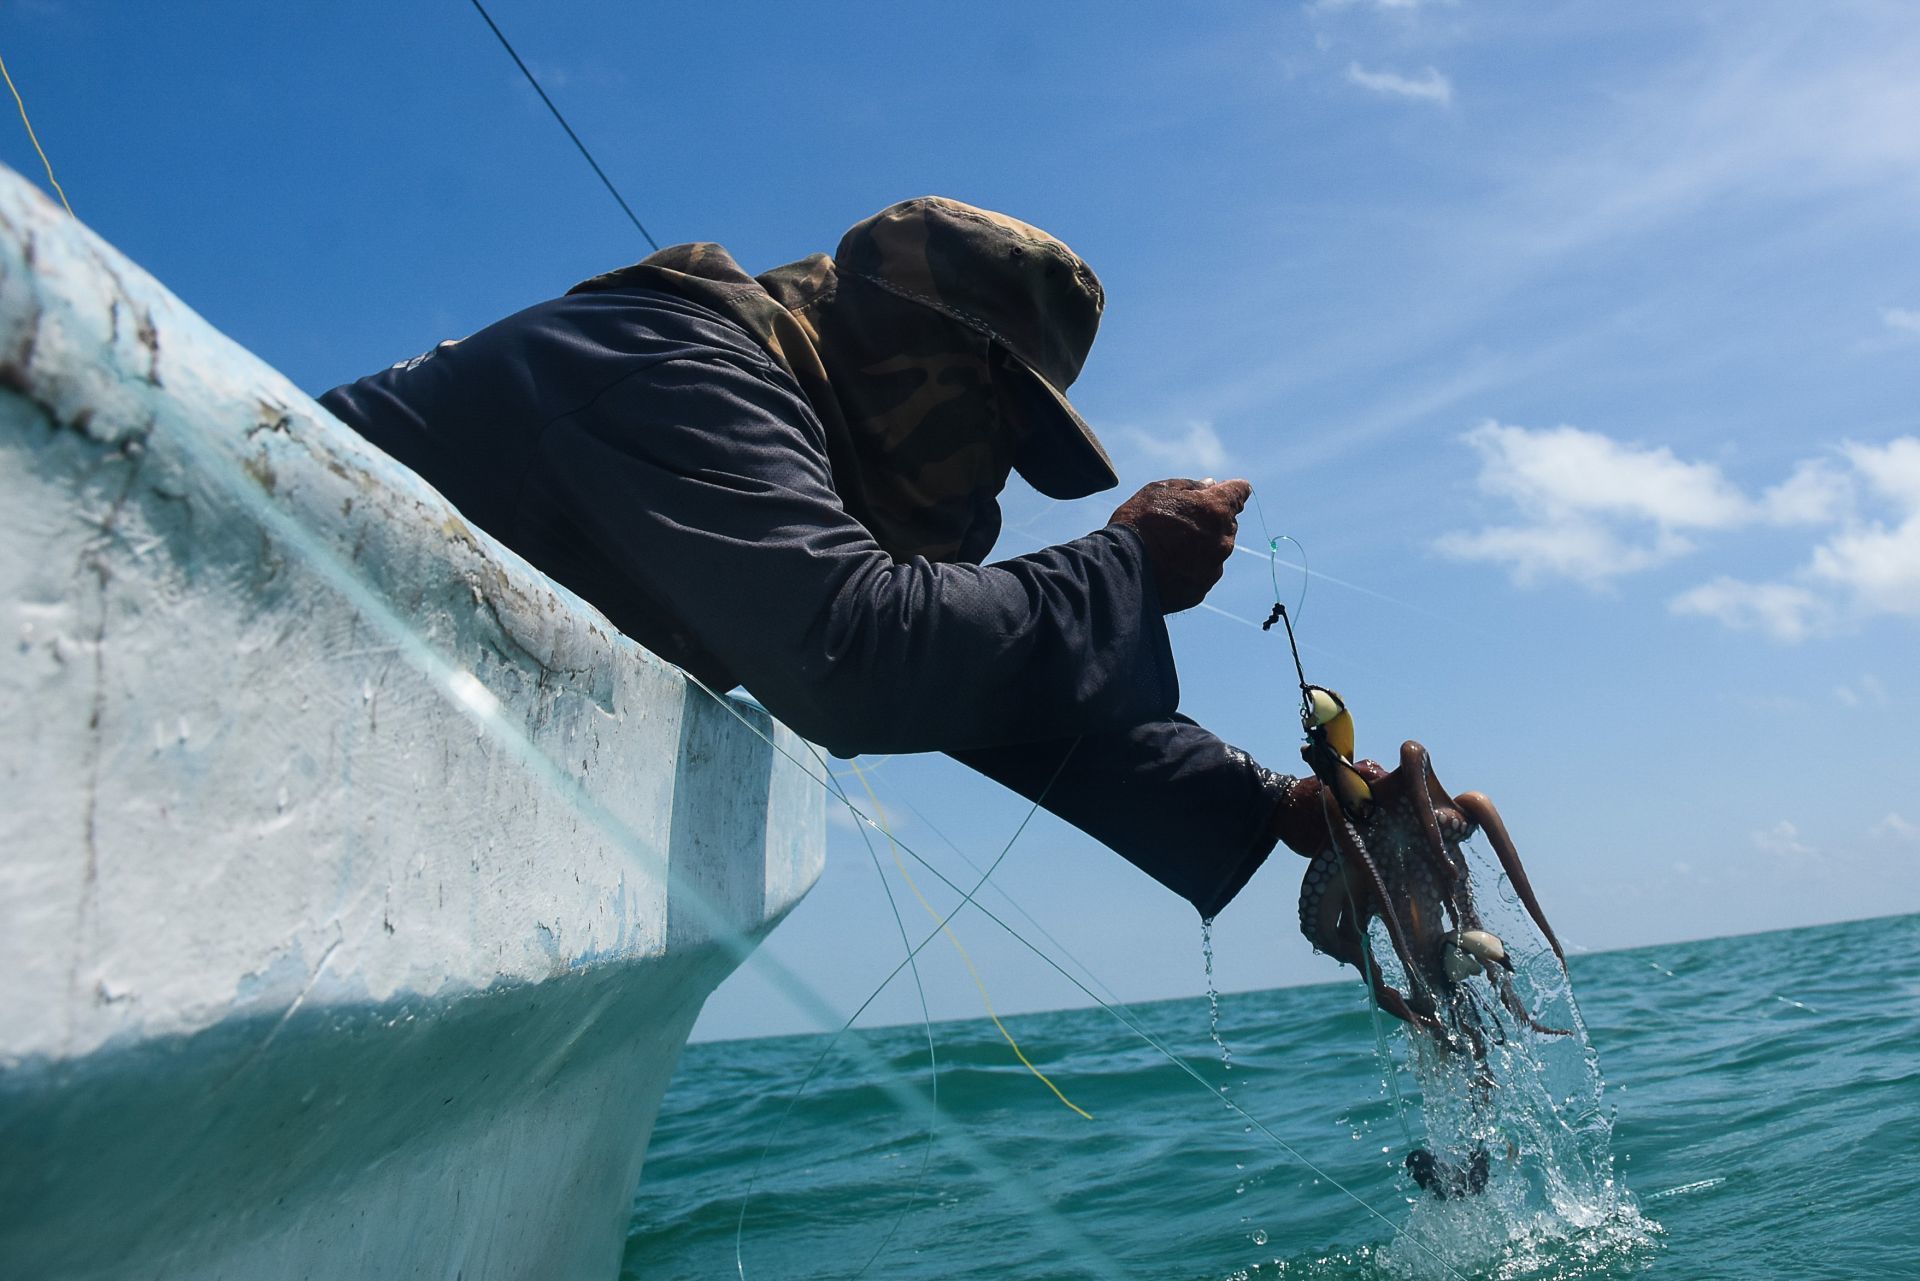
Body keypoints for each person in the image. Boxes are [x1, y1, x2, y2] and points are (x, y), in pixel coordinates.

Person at [319, 196, 1319, 920]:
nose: (994, 487)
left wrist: (1283, 809)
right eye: (999, 431)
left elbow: (978, 693)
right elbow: (861, 654)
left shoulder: (764, 457)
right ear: (911, 351)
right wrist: (1128, 568)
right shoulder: (675, 365)